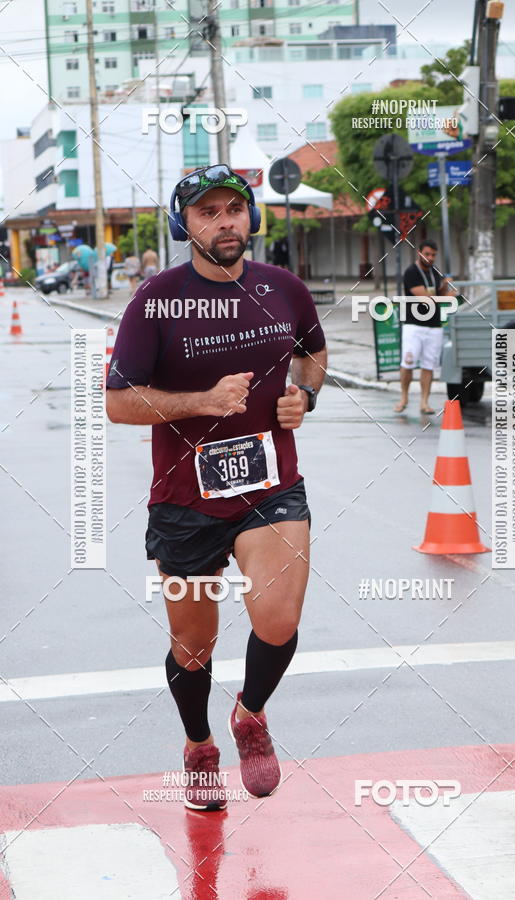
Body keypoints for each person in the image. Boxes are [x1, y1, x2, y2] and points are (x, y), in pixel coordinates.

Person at [106, 164, 327, 810]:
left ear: (250, 217)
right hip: (185, 501)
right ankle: (199, 744)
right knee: (193, 646)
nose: (225, 221)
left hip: (271, 486)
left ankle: (250, 716)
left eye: (234, 209)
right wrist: (203, 400)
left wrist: (304, 396)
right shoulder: (156, 301)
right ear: (186, 226)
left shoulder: (284, 289)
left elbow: (314, 352)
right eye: (208, 212)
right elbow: (118, 402)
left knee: (279, 621)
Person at [396, 239, 456, 414]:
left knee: (429, 365)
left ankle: (424, 402)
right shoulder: (411, 272)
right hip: (414, 325)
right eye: (427, 254)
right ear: (420, 253)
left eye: (434, 255)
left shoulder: (435, 272)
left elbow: (440, 294)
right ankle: (404, 397)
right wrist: (446, 298)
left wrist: (447, 287)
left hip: (434, 325)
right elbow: (426, 298)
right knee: (408, 362)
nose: (430, 258)